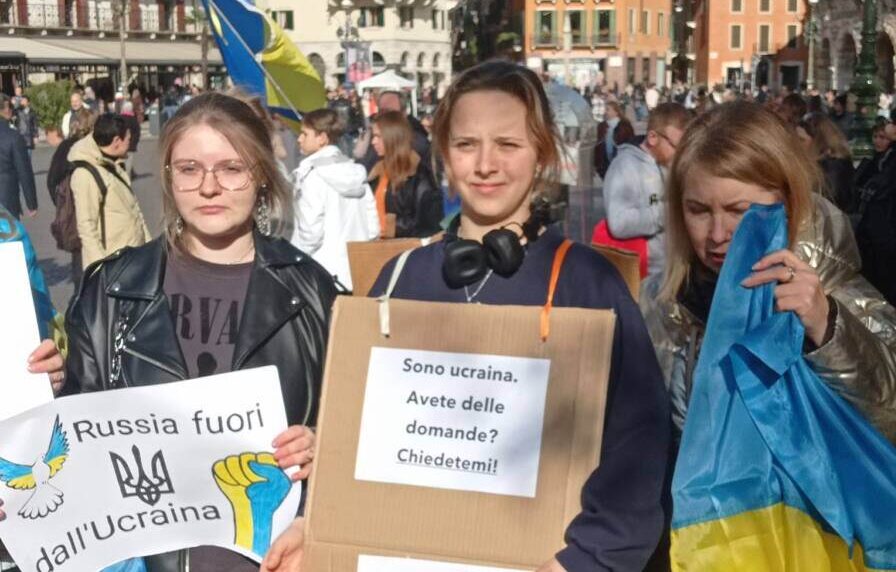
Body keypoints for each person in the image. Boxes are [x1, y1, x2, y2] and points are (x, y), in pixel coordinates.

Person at [61, 92, 337, 572]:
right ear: (169, 177)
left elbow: (352, 440)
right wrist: (38, 390)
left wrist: (322, 445)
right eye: (189, 169)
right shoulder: (112, 287)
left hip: (272, 558)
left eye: (231, 168)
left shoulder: (313, 292)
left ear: (261, 174)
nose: (209, 187)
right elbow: (73, 435)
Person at [641, 101, 896, 447]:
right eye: (698, 210)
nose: (717, 234)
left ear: (786, 202)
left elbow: (888, 409)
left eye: (739, 210)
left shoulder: (832, 288)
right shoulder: (661, 302)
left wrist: (828, 329)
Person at [291, 108, 379, 291]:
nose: (299, 139)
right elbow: (373, 228)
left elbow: (310, 233)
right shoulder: (356, 172)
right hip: (357, 271)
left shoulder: (312, 176)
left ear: (322, 138)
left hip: (321, 274)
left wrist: (294, 260)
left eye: (305, 134)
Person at [602, 102, 691, 280]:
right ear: (652, 137)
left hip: (675, 270)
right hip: (646, 276)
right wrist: (669, 211)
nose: (681, 154)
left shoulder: (670, 164)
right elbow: (619, 223)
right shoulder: (625, 166)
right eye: (676, 146)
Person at [69, 113, 150, 268]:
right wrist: (101, 268)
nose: (130, 144)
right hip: (114, 265)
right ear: (117, 141)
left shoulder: (115, 164)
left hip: (133, 257)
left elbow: (135, 211)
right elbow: (87, 228)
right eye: (128, 139)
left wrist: (149, 248)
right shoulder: (86, 174)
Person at [367, 110, 442, 238]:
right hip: (377, 245)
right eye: (373, 137)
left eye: (378, 136)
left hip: (407, 247)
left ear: (393, 137)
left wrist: (390, 227)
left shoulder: (418, 176)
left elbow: (426, 222)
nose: (373, 141)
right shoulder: (376, 173)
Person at [357, 90, 431, 172]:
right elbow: (363, 167)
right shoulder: (374, 135)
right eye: (381, 111)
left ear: (404, 114)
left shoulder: (418, 144)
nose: (385, 116)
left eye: (390, 113)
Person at [796, 114, 854, 211]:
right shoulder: (814, 164)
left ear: (819, 142)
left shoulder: (832, 168)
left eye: (801, 140)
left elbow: (830, 202)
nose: (796, 144)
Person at [0, 93, 37, 220]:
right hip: (7, 199)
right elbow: (24, 171)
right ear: (6, 109)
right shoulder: (13, 136)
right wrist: (31, 203)